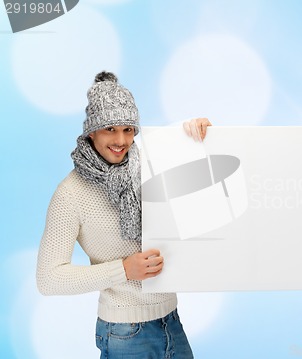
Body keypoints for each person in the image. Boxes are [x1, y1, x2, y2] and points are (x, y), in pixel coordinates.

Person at [36, 71, 211, 358]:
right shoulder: (71, 193)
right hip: (125, 333)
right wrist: (124, 270)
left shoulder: (152, 163)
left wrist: (202, 135)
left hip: (172, 321)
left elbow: (197, 173)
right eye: (110, 129)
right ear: (91, 131)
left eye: (129, 130)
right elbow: (48, 279)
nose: (121, 140)